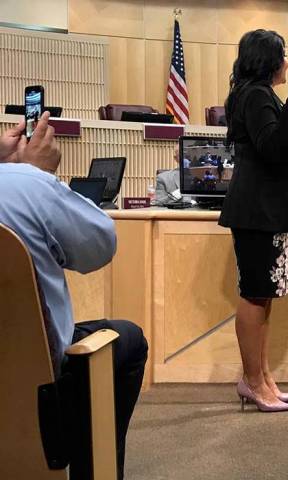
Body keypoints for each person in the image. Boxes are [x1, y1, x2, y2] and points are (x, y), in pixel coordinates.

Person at [0, 111, 148, 478]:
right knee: (126, 339)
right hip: (36, 388)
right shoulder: (28, 184)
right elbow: (100, 246)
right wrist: (38, 176)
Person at [218, 29, 288, 413]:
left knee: (263, 296)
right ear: (268, 61)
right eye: (282, 56)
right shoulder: (255, 95)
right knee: (254, 295)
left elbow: (279, 146)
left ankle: (263, 376)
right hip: (256, 213)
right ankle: (252, 381)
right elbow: (270, 147)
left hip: (266, 211)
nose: (287, 63)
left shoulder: (259, 95)